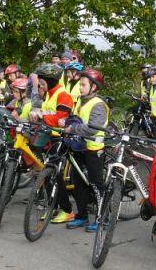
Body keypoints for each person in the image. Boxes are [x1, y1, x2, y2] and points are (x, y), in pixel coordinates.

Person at [58, 68, 109, 231]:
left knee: (96, 184)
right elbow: (77, 120)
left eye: (83, 84)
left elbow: (93, 128)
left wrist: (72, 129)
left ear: (93, 87)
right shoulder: (80, 100)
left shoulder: (99, 105)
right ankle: (82, 216)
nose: (80, 87)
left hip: (94, 149)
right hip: (79, 147)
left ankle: (102, 219)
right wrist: (66, 122)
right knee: (78, 183)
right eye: (80, 84)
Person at [28, 63, 75, 224]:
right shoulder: (49, 93)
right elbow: (48, 114)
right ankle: (53, 207)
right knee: (46, 172)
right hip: (49, 136)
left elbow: (61, 119)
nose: (39, 84)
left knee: (53, 172)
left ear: (51, 80)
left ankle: (67, 210)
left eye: (41, 81)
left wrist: (42, 116)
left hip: (61, 138)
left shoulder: (63, 95)